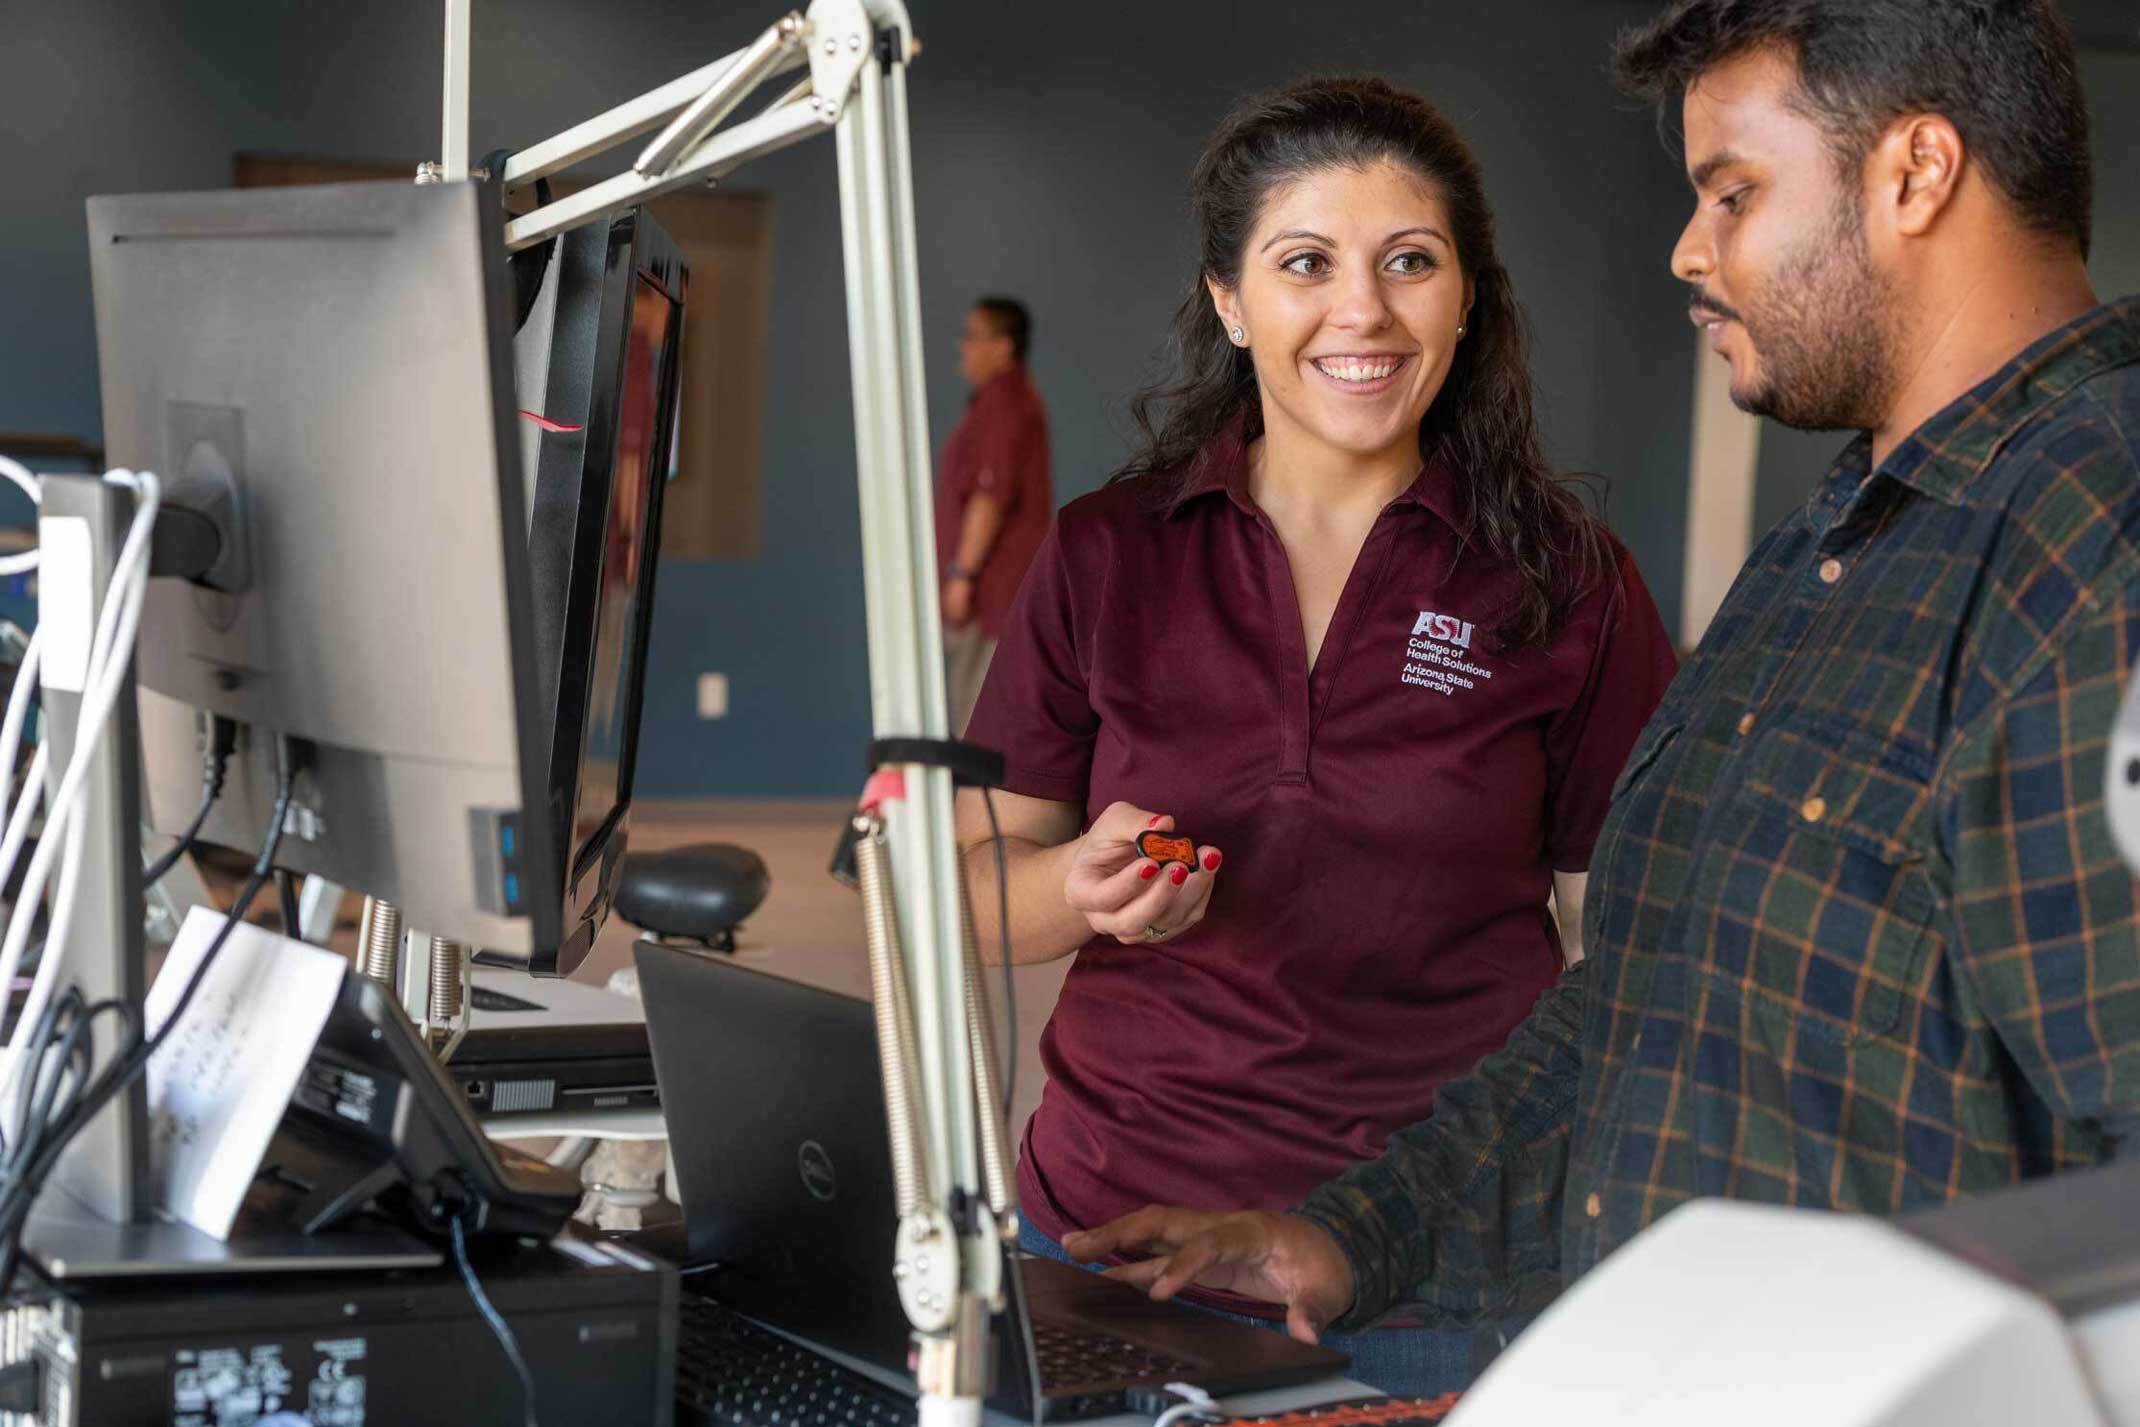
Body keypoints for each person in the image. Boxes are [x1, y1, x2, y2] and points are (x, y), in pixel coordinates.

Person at [1062, 0, 2140, 1364]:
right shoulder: (1842, 542)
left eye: (1734, 193)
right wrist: (1348, 1233)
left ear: (1915, 173)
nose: (1690, 251)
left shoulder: (2099, 546)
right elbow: (1641, 1005)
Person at [956, 78, 1677, 1394]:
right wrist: (1075, 889)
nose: (1365, 309)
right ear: (1231, 301)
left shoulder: (1567, 583)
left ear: (1467, 297)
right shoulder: (1108, 553)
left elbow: (1633, 957)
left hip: (1427, 1270)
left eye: (1411, 261)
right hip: (1108, 1236)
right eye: (1306, 263)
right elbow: (961, 890)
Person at [938, 296, 1052, 735]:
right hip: (990, 594)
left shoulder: (1006, 404)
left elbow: (989, 497)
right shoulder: (1000, 402)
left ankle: (974, 807)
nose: (963, 346)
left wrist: (961, 574)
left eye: (973, 336)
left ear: (1003, 347)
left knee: (976, 723)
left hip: (992, 596)